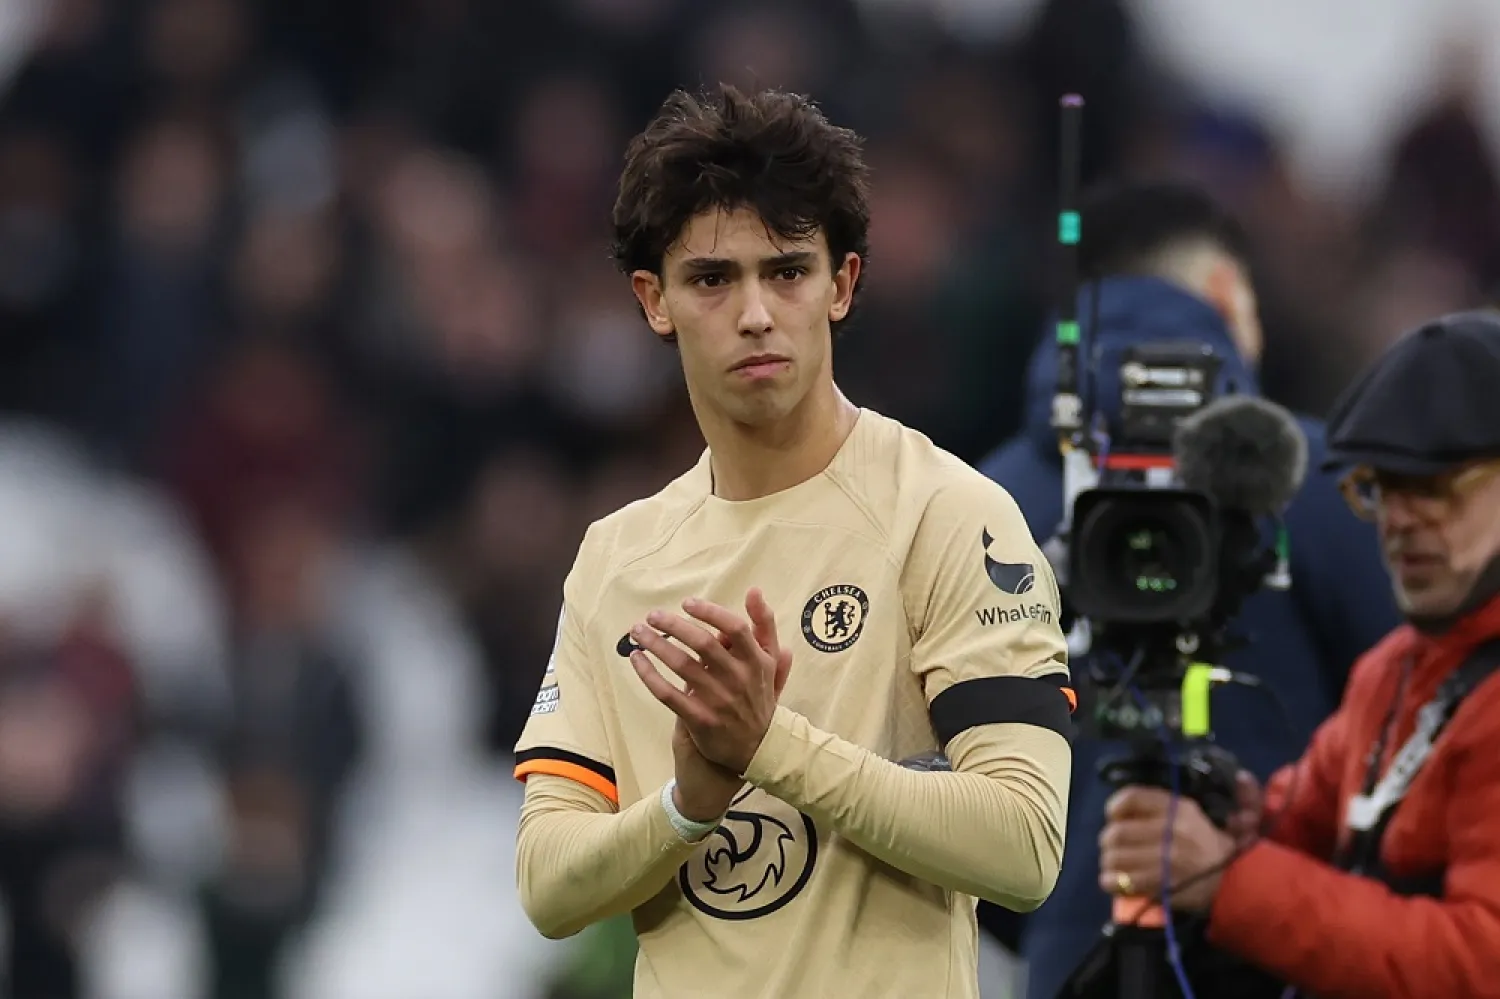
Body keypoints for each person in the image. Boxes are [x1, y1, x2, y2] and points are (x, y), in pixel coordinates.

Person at [510, 84, 1077, 999]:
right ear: (654, 300)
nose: (755, 313)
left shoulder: (948, 512)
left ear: (841, 284)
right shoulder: (617, 559)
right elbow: (547, 883)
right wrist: (687, 806)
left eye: (786, 271)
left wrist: (768, 745)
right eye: (712, 278)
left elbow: (1025, 844)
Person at [975, 180, 1401, 998]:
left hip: (1067, 964)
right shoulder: (1327, 483)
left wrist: (1060, 911)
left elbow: (938, 786)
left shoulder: (979, 500)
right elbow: (1416, 742)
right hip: (1298, 960)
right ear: (1225, 291)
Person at [1098, 310, 1500, 997]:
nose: (1399, 519)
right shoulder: (1394, 669)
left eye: (1433, 487)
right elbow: (1304, 816)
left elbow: (1481, 961)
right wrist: (1241, 818)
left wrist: (1227, 879)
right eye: (1378, 488)